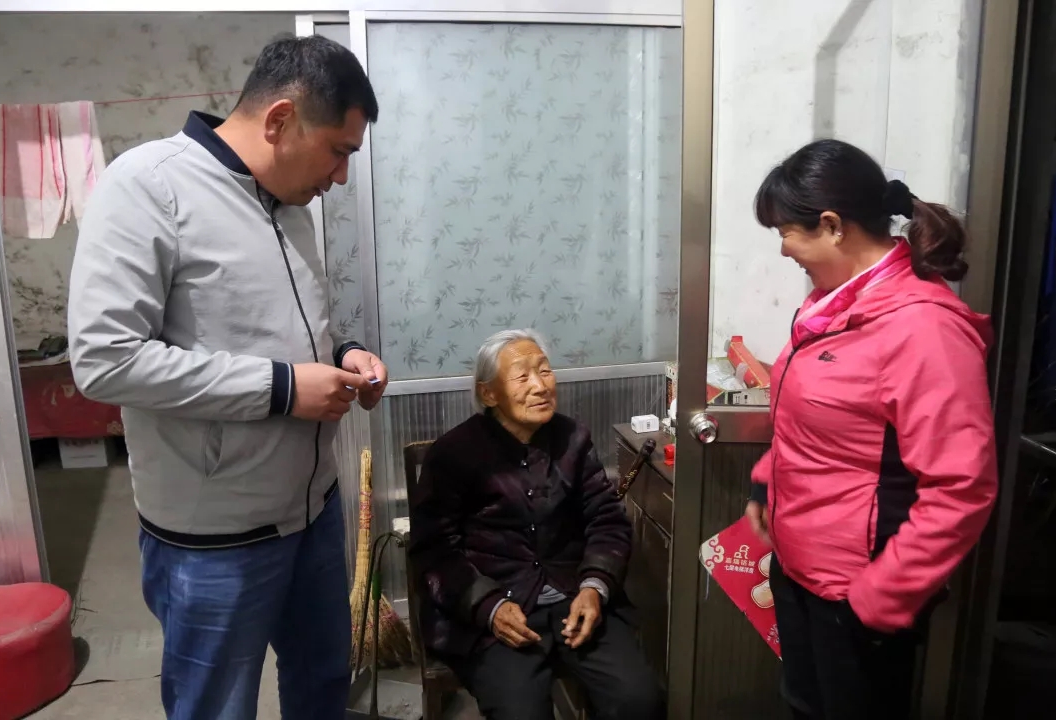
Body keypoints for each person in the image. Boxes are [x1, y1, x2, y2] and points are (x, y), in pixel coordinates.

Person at [67, 35, 387, 720]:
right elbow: (104, 358)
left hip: (314, 509)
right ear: (279, 120)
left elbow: (292, 327)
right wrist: (284, 389)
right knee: (216, 706)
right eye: (338, 151)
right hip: (215, 538)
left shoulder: (292, 207)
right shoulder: (148, 186)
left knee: (324, 680)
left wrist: (345, 354)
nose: (340, 177)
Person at [744, 139, 998, 720]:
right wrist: (766, 481)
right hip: (799, 568)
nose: (783, 249)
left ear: (833, 226)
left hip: (856, 592)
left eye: (786, 232)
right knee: (803, 705)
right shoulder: (830, 309)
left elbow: (962, 487)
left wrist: (879, 598)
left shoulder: (923, 329)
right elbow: (810, 423)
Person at [409, 329, 664, 720]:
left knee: (639, 700)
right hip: (494, 609)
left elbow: (607, 519)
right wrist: (489, 607)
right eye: (523, 377)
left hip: (573, 596)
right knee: (522, 713)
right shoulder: (453, 454)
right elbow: (434, 550)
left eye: (544, 371)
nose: (540, 386)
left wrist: (595, 586)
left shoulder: (572, 439)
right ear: (488, 394)